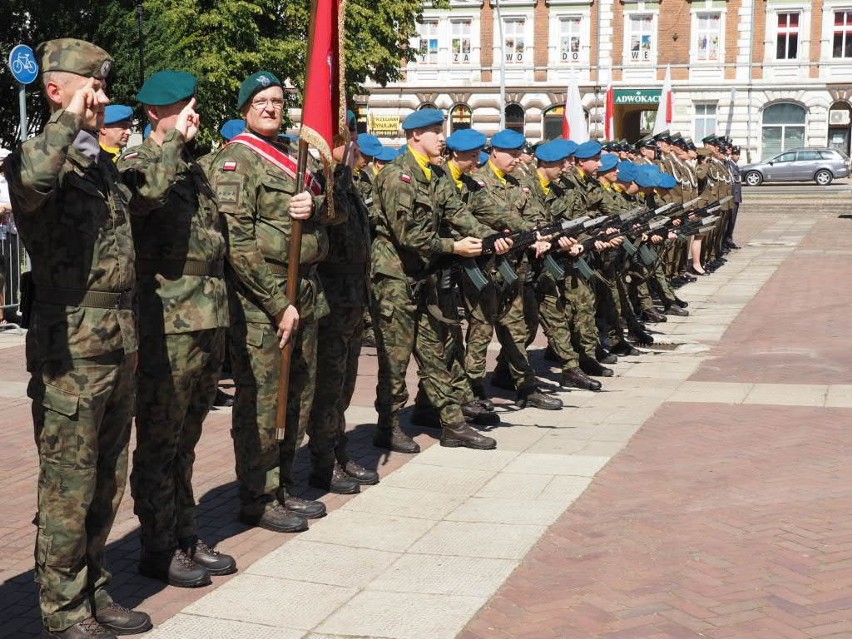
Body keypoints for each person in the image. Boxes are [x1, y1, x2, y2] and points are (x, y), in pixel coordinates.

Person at [2, 38, 151, 638]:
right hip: (72, 350)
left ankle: (94, 588)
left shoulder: (101, 166)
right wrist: (67, 117)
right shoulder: (34, 160)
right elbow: (35, 180)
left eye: (104, 85)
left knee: (108, 478)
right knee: (68, 483)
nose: (102, 98)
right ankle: (62, 611)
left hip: (118, 340)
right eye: (91, 85)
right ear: (56, 89)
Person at [118, 70, 236, 588]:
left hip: (207, 317)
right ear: (154, 113)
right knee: (161, 441)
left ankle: (185, 533)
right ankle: (157, 545)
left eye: (194, 106)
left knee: (187, 438)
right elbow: (145, 201)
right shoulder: (140, 162)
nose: (194, 116)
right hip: (167, 323)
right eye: (184, 107)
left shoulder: (192, 169)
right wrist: (168, 145)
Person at [208, 71, 332, 533]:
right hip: (264, 301)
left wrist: (314, 209)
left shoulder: (295, 154)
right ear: (245, 108)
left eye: (278, 101)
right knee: (263, 402)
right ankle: (257, 496)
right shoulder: (237, 161)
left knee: (297, 395)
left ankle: (282, 484)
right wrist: (278, 303)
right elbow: (237, 244)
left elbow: (331, 210)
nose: (270, 108)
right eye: (261, 101)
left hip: (306, 291)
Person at [372, 109, 509, 452]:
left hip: (423, 277)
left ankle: (452, 424)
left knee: (437, 352)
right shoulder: (396, 176)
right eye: (436, 131)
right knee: (396, 359)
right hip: (394, 280)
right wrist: (455, 247)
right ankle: (387, 427)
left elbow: (458, 213)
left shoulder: (436, 174)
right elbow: (407, 235)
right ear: (415, 135)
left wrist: (491, 238)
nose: (442, 138)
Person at [307, 135, 380, 494]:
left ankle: (338, 450)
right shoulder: (320, 181)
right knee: (328, 386)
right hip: (332, 299)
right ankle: (322, 460)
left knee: (345, 385)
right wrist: (340, 172)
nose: (351, 145)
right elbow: (331, 218)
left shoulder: (349, 181)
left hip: (354, 298)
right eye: (341, 139)